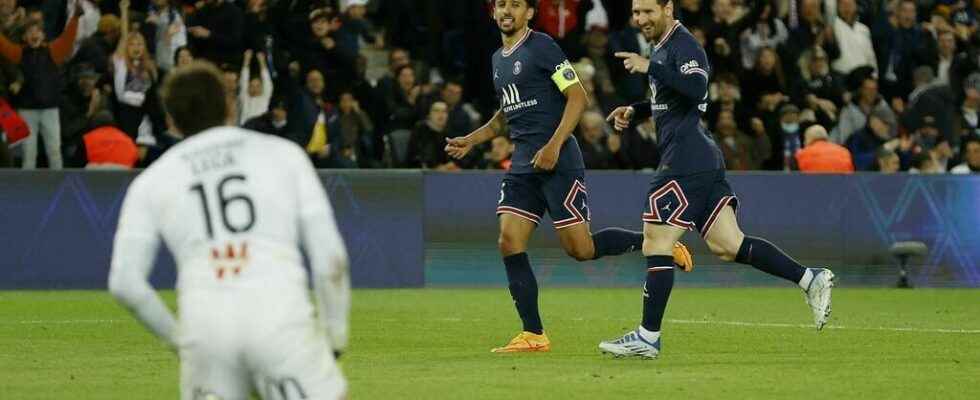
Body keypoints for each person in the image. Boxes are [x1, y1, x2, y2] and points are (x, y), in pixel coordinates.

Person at [443, 0, 692, 354]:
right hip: (523, 164)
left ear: (529, 13)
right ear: (492, 12)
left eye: (515, 5)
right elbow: (504, 114)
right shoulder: (498, 59)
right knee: (508, 240)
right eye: (501, 4)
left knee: (581, 249)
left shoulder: (541, 46)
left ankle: (655, 242)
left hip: (557, 160)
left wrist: (555, 145)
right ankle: (533, 334)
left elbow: (578, 97)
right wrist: (472, 138)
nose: (506, 11)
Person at [603, 0, 835, 359]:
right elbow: (671, 98)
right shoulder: (663, 48)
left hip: (685, 158)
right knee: (729, 244)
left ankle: (648, 336)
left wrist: (651, 66)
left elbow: (696, 89)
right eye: (635, 12)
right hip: (699, 158)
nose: (640, 19)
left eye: (648, 11)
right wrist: (638, 110)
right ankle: (810, 279)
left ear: (668, 8)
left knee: (656, 238)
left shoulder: (684, 44)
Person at [108, 61, 349, 400]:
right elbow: (330, 259)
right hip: (279, 320)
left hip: (207, 332)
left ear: (172, 119)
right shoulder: (283, 155)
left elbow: (124, 283)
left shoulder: (152, 181)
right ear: (229, 104)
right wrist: (334, 339)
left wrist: (179, 340)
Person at [0, 2, 80, 169]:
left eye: (37, 31)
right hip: (27, 111)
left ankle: (57, 187)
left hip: (50, 110)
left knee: (54, 151)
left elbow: (68, 39)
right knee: (29, 154)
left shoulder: (53, 52)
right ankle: (27, 191)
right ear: (24, 38)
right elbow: (3, 45)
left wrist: (75, 18)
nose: (34, 34)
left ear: (44, 35)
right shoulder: (19, 53)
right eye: (30, 32)